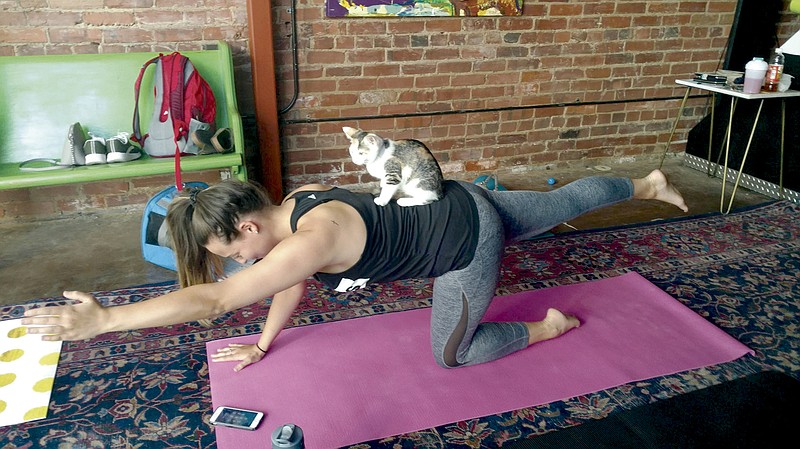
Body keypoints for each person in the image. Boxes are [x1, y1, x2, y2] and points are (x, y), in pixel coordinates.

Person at [23, 169, 687, 371]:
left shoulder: (309, 238)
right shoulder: (298, 208)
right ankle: (648, 179)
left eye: (232, 252)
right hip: (464, 197)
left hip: (463, 246)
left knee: (451, 356)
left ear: (248, 227)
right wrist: (262, 343)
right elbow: (284, 280)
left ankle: (543, 328)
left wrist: (108, 319)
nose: (238, 263)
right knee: (564, 201)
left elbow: (215, 301)